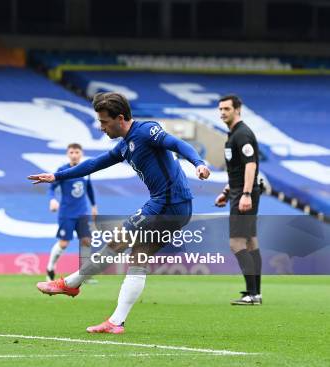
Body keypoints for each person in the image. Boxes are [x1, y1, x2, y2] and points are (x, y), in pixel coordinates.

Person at [28, 92, 210, 334]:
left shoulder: (146, 131)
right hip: (174, 206)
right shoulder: (125, 146)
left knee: (118, 240)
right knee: (138, 257)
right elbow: (94, 164)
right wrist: (57, 176)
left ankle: (71, 283)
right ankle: (116, 322)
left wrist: (198, 162)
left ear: (120, 118)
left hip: (169, 203)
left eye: (104, 122)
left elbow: (177, 143)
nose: (101, 127)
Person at [214, 94, 262, 306]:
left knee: (236, 243)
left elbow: (251, 165)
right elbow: (238, 169)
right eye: (221, 109)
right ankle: (255, 293)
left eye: (227, 109)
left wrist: (245, 194)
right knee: (250, 241)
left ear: (237, 109)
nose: (223, 112)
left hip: (244, 194)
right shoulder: (232, 135)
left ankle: (252, 294)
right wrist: (227, 191)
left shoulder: (242, 134)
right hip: (238, 191)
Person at [45, 143, 97, 281]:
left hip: (83, 212)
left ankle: (84, 274)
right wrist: (52, 200)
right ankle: (50, 267)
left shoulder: (86, 170)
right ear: (68, 154)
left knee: (87, 241)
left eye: (77, 152)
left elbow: (89, 188)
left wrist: (93, 205)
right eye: (72, 152)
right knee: (64, 244)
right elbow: (51, 188)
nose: (74, 155)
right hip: (66, 213)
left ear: (81, 153)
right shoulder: (62, 170)